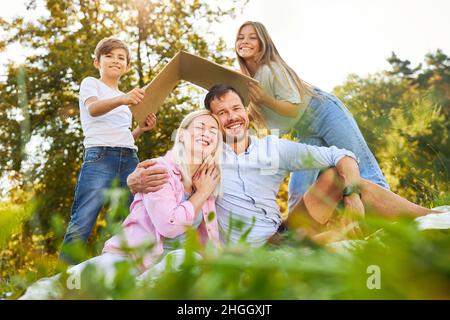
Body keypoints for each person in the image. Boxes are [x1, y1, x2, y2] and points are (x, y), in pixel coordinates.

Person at [128, 85, 438, 247]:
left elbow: (342, 155)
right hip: (254, 249)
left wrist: (354, 194)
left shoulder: (273, 148)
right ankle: (338, 236)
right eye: (221, 113)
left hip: (286, 230)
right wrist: (134, 179)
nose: (232, 116)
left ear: (246, 112)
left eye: (236, 108)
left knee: (339, 177)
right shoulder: (207, 153)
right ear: (213, 121)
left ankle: (436, 220)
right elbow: (166, 168)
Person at [20, 110, 222, 299]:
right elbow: (169, 224)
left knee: (188, 260)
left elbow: (207, 241)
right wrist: (202, 193)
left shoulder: (207, 182)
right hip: (129, 259)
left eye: (214, 132)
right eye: (200, 127)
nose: (207, 134)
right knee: (60, 291)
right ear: (181, 135)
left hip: (161, 273)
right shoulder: (159, 169)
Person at [234, 21, 390, 216]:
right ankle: (297, 237)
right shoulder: (249, 82)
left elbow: (292, 108)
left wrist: (265, 100)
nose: (244, 41)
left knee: (364, 168)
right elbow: (256, 120)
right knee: (299, 188)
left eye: (252, 37)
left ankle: (390, 221)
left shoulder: (273, 68)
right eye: (240, 37)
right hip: (305, 129)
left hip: (324, 112)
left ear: (263, 42)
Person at [60, 37, 157, 264]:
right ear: (97, 62)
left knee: (133, 217)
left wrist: (141, 129)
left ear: (127, 66)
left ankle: (128, 272)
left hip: (129, 158)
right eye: (109, 55)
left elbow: (122, 137)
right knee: (83, 218)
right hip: (99, 158)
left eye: (121, 57)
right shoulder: (91, 83)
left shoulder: (126, 99)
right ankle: (63, 279)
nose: (115, 60)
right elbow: (93, 109)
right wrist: (123, 99)